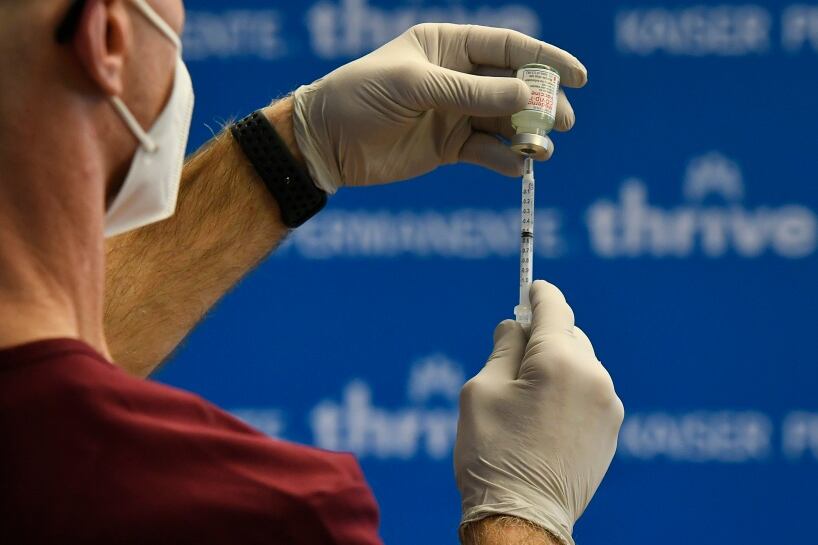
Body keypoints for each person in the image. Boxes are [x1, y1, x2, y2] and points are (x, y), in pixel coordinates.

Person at [0, 0, 624, 544]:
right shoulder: (266, 518)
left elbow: (46, 383)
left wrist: (297, 150)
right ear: (107, 36)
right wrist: (523, 514)